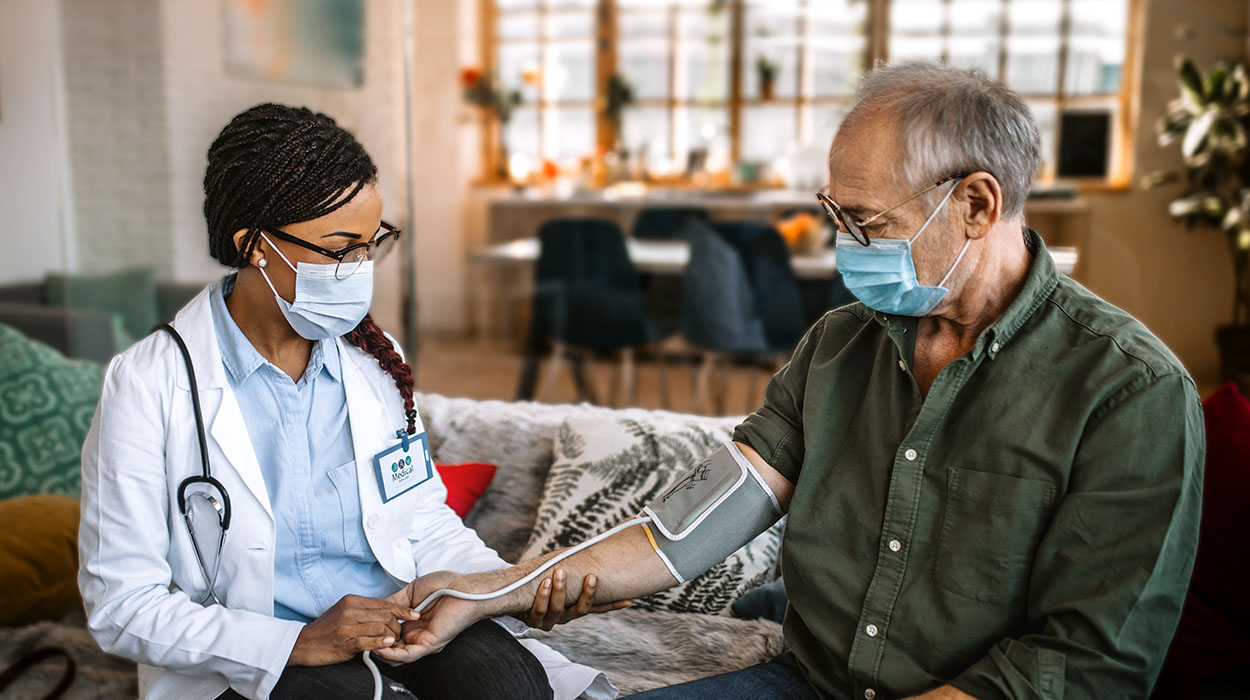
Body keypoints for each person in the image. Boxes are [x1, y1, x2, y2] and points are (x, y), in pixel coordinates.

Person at [376, 63, 1205, 699]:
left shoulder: (1129, 392)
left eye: (868, 223)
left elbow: (1086, 663)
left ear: (979, 206)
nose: (846, 246)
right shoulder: (839, 346)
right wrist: (490, 590)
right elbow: (684, 531)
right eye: (836, 215)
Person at [77, 103, 624, 700]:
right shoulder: (147, 383)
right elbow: (123, 604)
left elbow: (420, 519)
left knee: (510, 687)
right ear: (255, 246)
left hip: (398, 617)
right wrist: (298, 643)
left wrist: (492, 592)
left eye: (371, 243)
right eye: (340, 248)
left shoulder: (371, 357)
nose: (360, 269)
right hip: (255, 646)